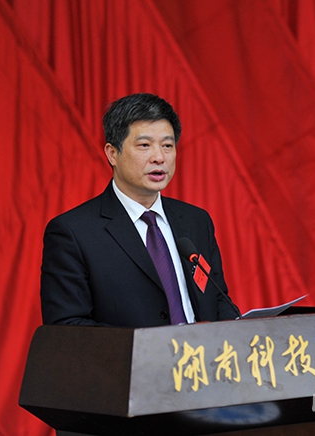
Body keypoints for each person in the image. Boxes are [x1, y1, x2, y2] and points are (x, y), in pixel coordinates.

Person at [40, 93, 239, 327]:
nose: (159, 157)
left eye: (167, 146)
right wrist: (147, 345)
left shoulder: (196, 221)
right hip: (131, 352)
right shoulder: (74, 233)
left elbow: (218, 299)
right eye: (144, 145)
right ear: (112, 154)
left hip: (201, 352)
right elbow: (67, 326)